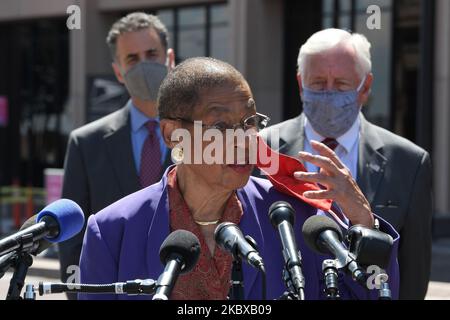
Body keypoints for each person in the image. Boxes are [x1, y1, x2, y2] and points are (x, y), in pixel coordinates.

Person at [78, 57, 399, 300]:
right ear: (173, 135)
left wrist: (362, 221)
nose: (244, 139)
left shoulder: (294, 217)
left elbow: (371, 293)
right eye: (220, 126)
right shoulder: (112, 232)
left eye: (249, 121)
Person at [259, 28, 432, 300]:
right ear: (300, 84)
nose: (329, 93)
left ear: (365, 87)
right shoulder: (261, 148)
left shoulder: (408, 162)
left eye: (341, 84)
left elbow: (413, 272)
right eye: (318, 83)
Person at [58, 13, 175, 298]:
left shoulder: (202, 136)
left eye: (151, 54)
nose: (144, 64)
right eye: (132, 59)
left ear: (170, 59)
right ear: (118, 71)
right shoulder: (86, 143)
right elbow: (73, 238)